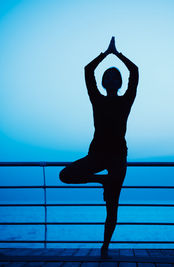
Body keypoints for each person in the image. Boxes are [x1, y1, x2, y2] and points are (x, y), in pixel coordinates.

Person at [59, 37, 139, 257]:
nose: (111, 78)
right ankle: (102, 180)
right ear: (103, 82)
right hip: (97, 154)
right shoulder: (96, 98)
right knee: (65, 175)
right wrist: (106, 53)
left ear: (120, 83)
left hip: (118, 157)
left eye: (115, 76)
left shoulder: (126, 99)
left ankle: (104, 248)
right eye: (108, 76)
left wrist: (117, 54)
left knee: (112, 206)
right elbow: (88, 70)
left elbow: (135, 71)